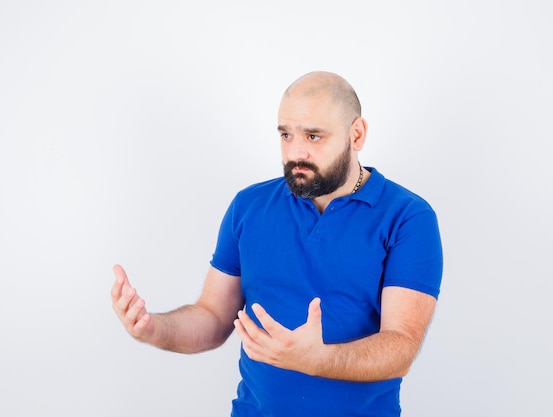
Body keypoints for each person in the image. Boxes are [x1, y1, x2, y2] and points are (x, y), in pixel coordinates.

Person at [111, 71, 443, 417]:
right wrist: (152, 328)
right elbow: (212, 317)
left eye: (314, 136)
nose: (296, 152)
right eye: (286, 134)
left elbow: (401, 345)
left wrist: (318, 360)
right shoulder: (249, 206)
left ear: (356, 134)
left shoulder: (408, 217)